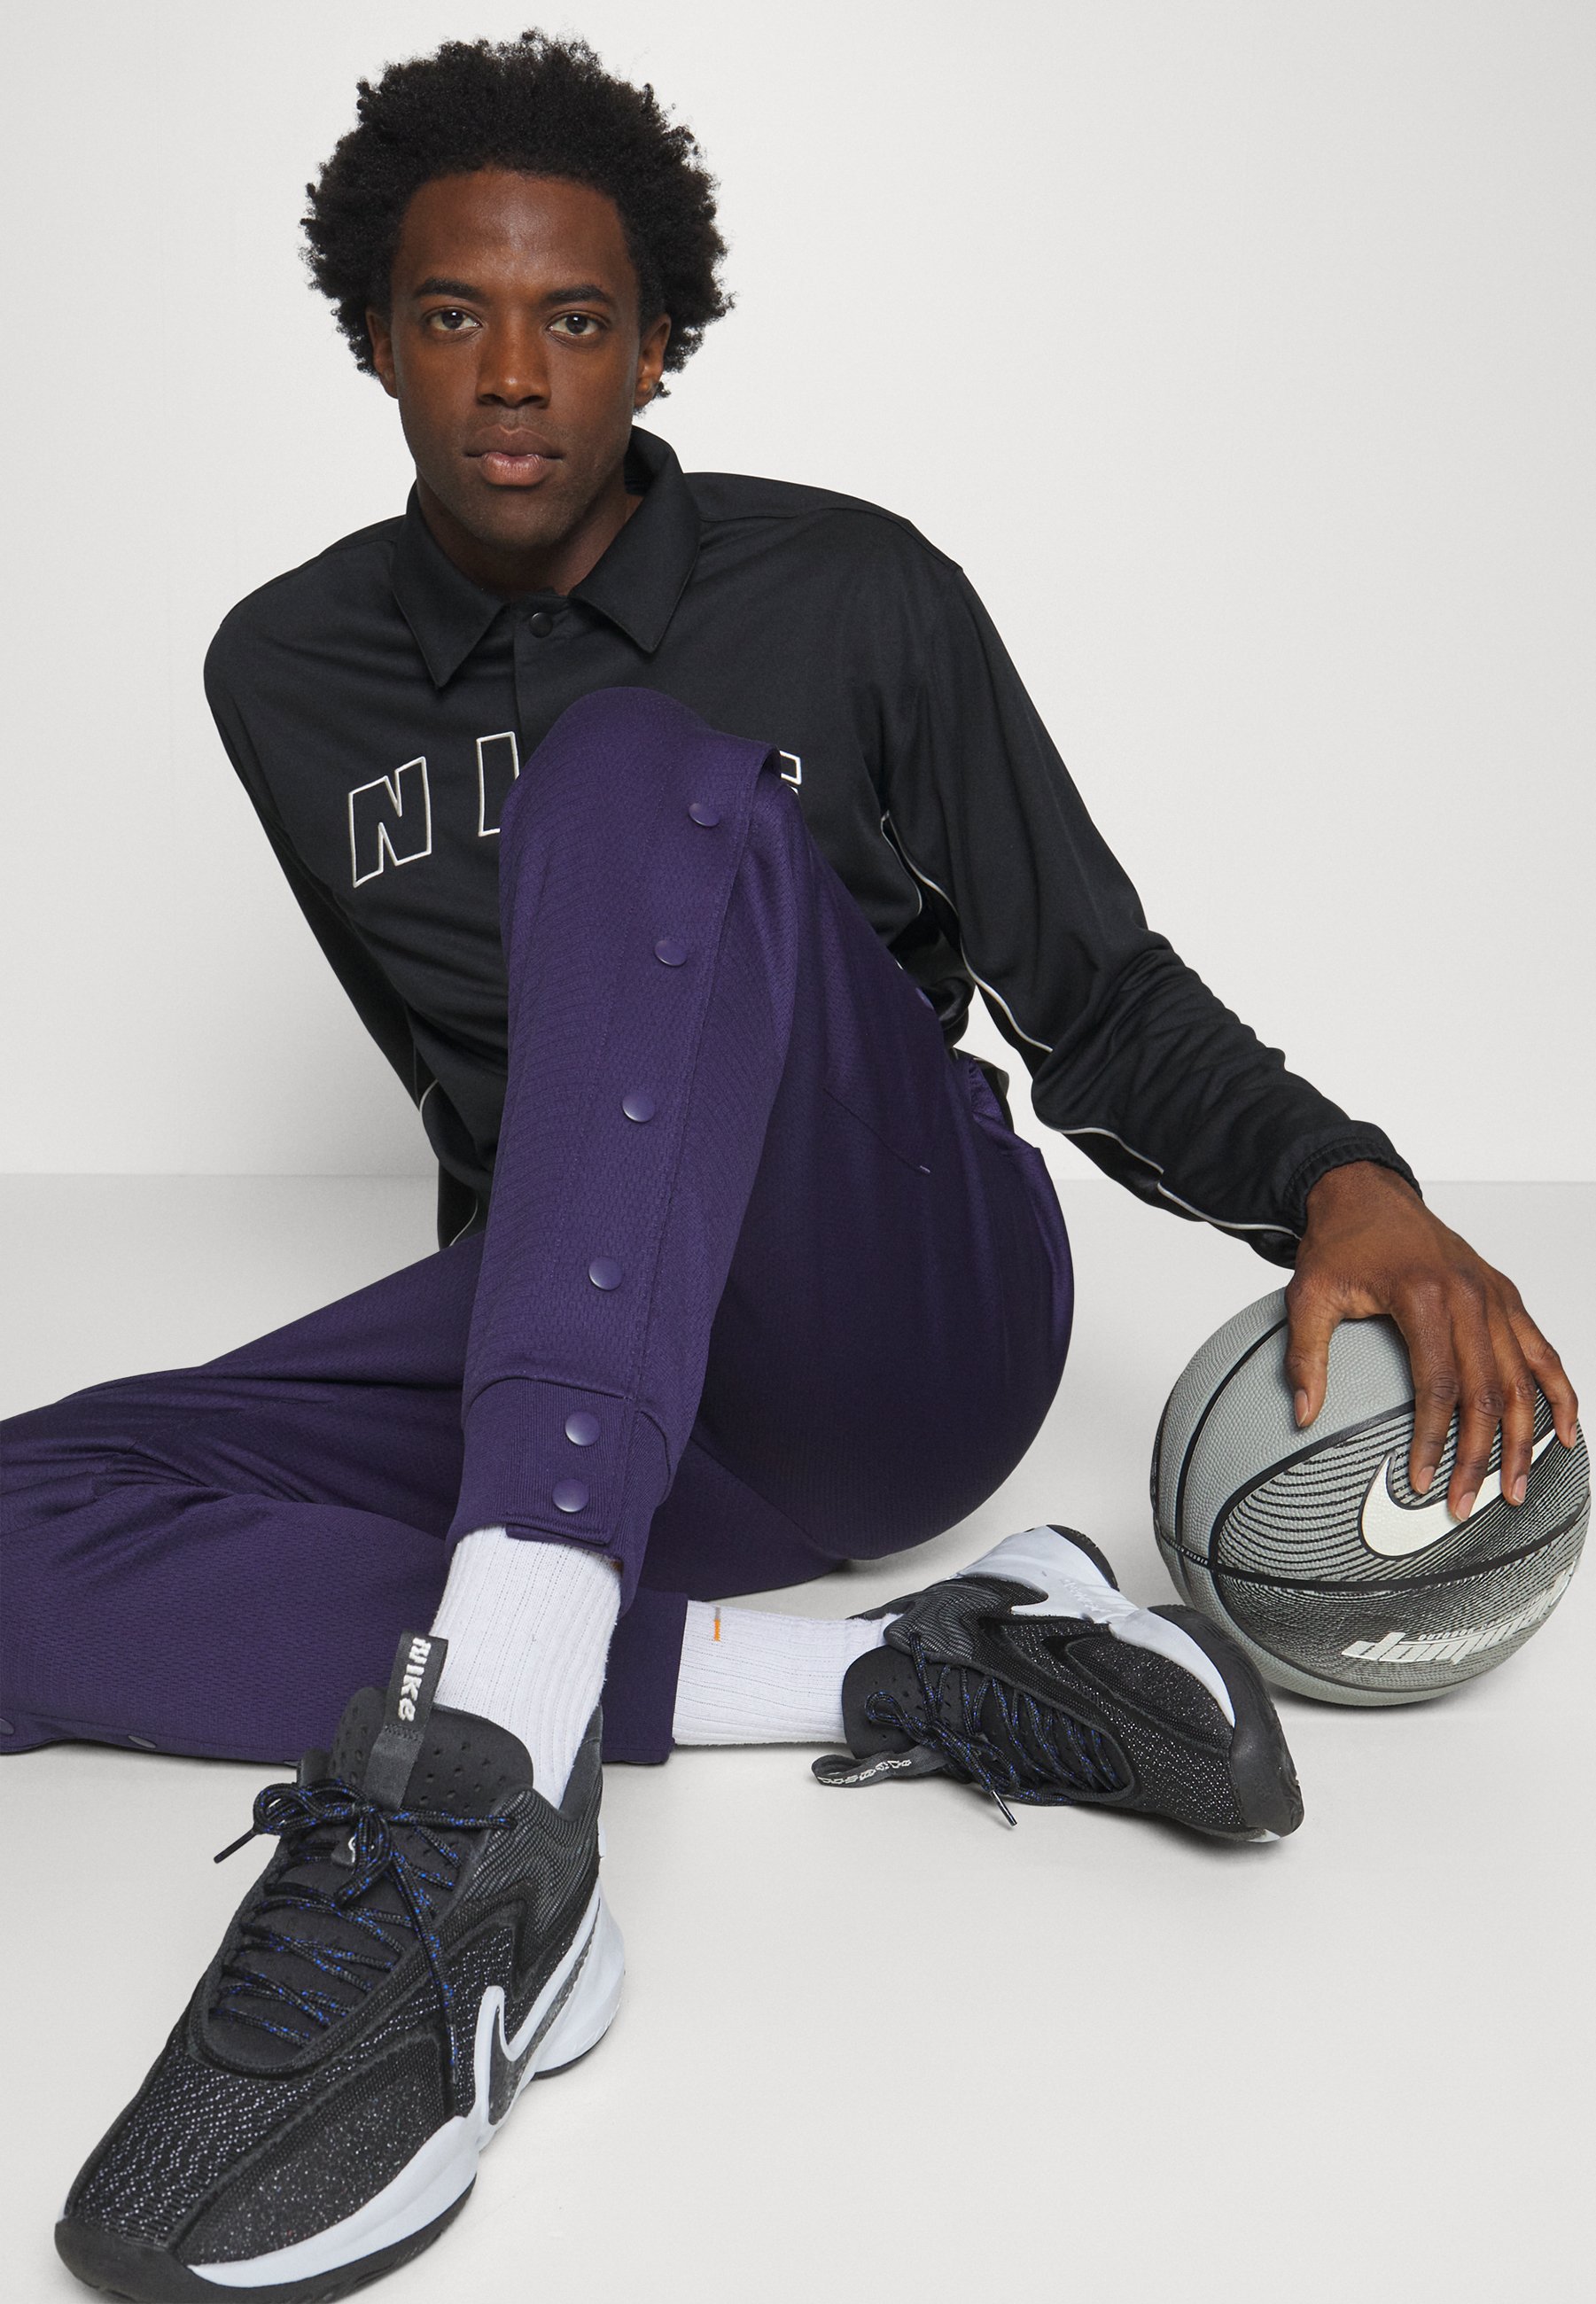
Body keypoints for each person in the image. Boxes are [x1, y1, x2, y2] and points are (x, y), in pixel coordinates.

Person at [4, 31, 1576, 2301]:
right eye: (453, 316)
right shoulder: (288, 672)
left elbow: (1094, 991)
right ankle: (907, 1671)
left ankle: (475, 1831)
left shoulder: (853, 593)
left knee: (631, 772)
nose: (514, 374)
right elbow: (474, 1093)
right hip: (607, 1369)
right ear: (375, 337)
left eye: (576, 318)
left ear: (660, 343)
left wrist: (1340, 1180)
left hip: (893, 1313)